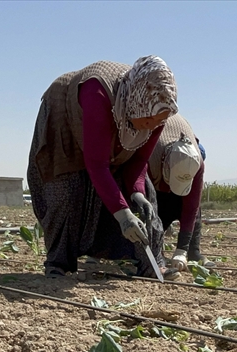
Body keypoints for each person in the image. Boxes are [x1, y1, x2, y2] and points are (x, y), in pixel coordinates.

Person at [27, 56, 178, 278]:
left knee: (146, 200)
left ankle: (152, 265)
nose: (153, 127)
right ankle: (59, 263)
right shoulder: (96, 94)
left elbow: (138, 161)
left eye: (159, 122)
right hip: (66, 120)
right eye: (149, 121)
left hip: (113, 135)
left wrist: (137, 192)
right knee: (68, 189)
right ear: (137, 104)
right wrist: (123, 215)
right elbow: (97, 165)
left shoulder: (157, 113)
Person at [148, 113, 206, 273]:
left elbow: (192, 206)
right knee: (156, 210)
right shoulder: (150, 155)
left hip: (182, 146)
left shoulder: (197, 162)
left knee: (193, 208)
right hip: (156, 159)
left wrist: (182, 250)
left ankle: (193, 252)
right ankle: (155, 252)